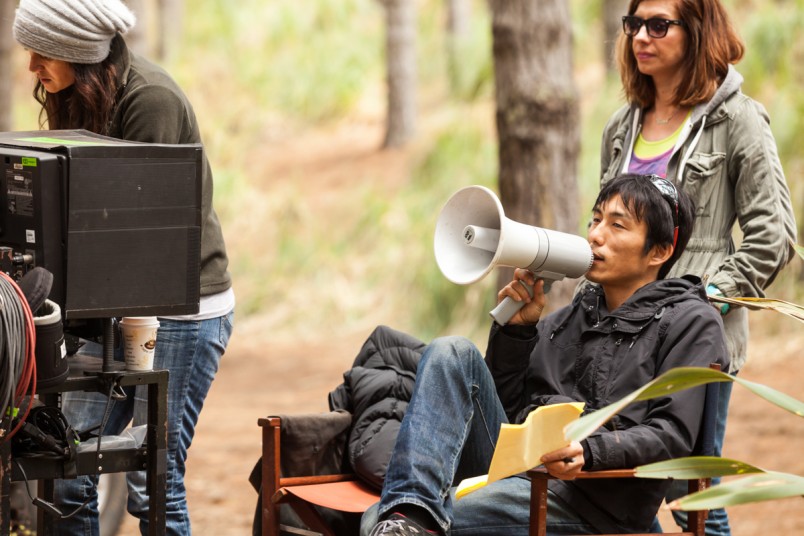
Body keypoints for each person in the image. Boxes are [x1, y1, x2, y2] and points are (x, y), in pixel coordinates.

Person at [361, 174, 729, 536]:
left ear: (660, 251)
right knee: (450, 351)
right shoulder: (571, 317)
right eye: (596, 219)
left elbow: (672, 433)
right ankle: (410, 511)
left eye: (618, 225)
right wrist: (516, 333)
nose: (596, 234)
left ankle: (412, 521)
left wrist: (591, 449)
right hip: (524, 472)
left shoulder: (690, 322)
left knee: (389, 520)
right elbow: (506, 410)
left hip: (593, 505)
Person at [12, 0, 235, 534]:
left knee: (153, 479)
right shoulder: (81, 97)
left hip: (182, 313)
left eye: (43, 53)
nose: (32, 67)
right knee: (67, 470)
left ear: (78, 53)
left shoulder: (149, 100)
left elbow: (135, 237)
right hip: (113, 306)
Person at [601, 1, 797, 533]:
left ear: (698, 32)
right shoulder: (622, 126)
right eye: (634, 24)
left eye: (659, 25)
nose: (642, 36)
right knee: (618, 480)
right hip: (617, 337)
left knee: (695, 494)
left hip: (694, 342)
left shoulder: (739, 119)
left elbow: (773, 236)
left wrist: (697, 302)